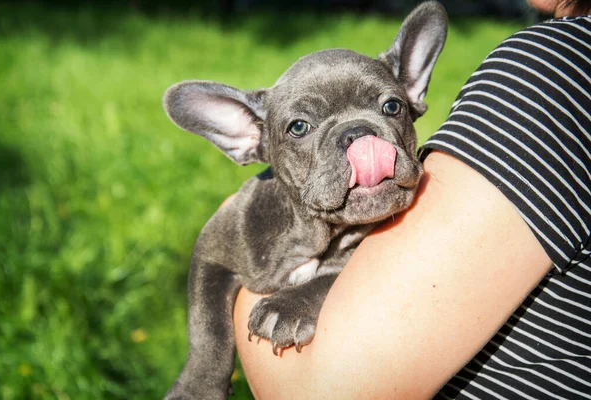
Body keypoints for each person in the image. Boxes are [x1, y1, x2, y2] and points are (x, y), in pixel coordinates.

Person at [232, 0, 591, 398]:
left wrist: (241, 251)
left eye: (390, 107)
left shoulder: (561, 73)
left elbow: (322, 391)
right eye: (300, 127)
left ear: (412, 89)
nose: (360, 141)